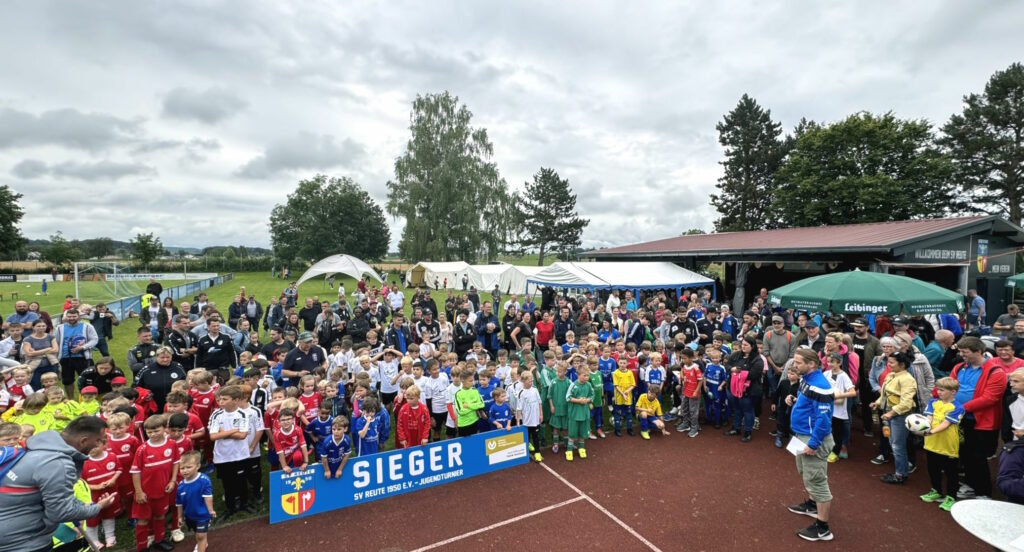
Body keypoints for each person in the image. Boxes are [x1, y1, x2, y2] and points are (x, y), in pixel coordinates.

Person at [0, 416, 118, 552]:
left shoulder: (37, 449)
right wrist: (98, 507)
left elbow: (44, 494)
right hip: (22, 542)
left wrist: (81, 505)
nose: (99, 445)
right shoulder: (58, 463)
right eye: (98, 440)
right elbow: (61, 512)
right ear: (83, 441)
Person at [785, 348, 836, 542]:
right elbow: (809, 405)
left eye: (798, 362)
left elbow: (824, 420)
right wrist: (795, 400)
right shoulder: (806, 379)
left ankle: (823, 528)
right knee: (805, 472)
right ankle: (813, 505)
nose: (794, 365)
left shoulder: (820, 386)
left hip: (813, 438)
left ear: (811, 364)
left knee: (817, 481)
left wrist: (814, 444)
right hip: (803, 434)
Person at [952, 336, 1008, 500]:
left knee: (979, 457)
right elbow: (949, 385)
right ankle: (971, 485)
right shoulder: (959, 367)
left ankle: (984, 492)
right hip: (961, 419)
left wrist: (961, 407)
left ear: (978, 351)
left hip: (982, 422)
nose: (961, 355)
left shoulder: (996, 372)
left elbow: (990, 398)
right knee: (965, 454)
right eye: (960, 351)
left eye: (965, 352)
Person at [131, 414, 181, 552]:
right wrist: (139, 492)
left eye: (156, 431)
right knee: (143, 520)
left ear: (165, 428)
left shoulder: (172, 444)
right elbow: (135, 472)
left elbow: (176, 462)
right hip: (145, 493)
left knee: (160, 515)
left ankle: (159, 540)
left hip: (163, 490)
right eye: (149, 432)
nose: (153, 434)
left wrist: (172, 480)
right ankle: (142, 548)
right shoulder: (142, 449)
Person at [918, 377, 965, 512]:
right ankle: (936, 491)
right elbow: (929, 418)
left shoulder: (958, 407)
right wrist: (923, 428)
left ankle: (951, 496)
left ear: (953, 392)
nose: (938, 392)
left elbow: (946, 423)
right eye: (938, 389)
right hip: (931, 443)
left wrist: (930, 432)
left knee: (951, 473)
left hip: (947, 446)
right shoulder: (933, 402)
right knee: (933, 469)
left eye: (942, 390)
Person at [871, 351, 918, 485]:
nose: (888, 364)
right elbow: (885, 395)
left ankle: (901, 475)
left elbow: (906, 403)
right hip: (890, 413)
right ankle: (901, 472)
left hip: (899, 416)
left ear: (902, 365)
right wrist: (877, 403)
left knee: (897, 445)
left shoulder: (907, 379)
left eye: (892, 362)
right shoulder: (891, 375)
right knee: (893, 443)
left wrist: (891, 413)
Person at [175, 451, 215, 552]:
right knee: (198, 534)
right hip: (190, 516)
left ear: (198, 466)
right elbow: (179, 503)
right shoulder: (180, 486)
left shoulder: (204, 480)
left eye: (189, 467)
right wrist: (179, 516)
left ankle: (201, 544)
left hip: (203, 515)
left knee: (200, 536)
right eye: (182, 468)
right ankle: (202, 543)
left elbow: (208, 496)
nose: (185, 471)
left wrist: (210, 510)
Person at [54, 308, 98, 399]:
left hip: (83, 358)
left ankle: (87, 399)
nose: (71, 318)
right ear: (66, 317)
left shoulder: (87, 326)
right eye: (69, 316)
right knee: (67, 381)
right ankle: (71, 399)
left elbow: (94, 339)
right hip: (65, 358)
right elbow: (56, 342)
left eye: (74, 316)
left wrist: (82, 347)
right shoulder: (60, 328)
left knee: (87, 379)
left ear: (79, 316)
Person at [134, 347, 188, 413]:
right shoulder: (147, 369)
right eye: (162, 357)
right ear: (156, 357)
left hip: (174, 405)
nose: (165, 360)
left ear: (171, 356)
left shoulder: (178, 367)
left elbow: (186, 383)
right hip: (153, 405)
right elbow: (135, 387)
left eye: (168, 357)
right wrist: (144, 394)